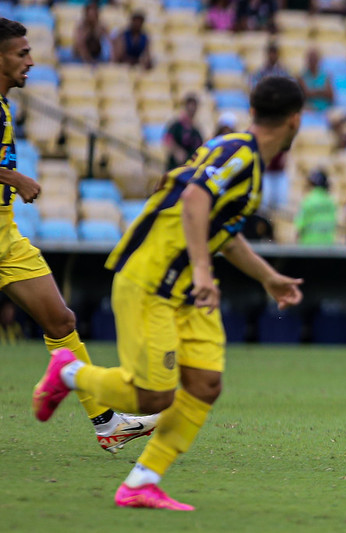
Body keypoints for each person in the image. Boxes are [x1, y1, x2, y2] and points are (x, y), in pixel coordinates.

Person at [32, 76, 306, 510]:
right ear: (296, 120)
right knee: (153, 397)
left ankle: (141, 482)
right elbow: (196, 199)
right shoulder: (241, 155)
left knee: (205, 382)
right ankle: (68, 372)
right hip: (152, 278)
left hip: (186, 289)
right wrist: (202, 270)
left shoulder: (240, 159)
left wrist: (267, 277)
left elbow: (223, 233)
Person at [1, 17, 156, 453]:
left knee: (62, 321)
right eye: (21, 54)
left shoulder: (4, 107)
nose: (31, 61)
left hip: (6, 238)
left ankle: (107, 424)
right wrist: (13, 178)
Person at [294, 169, 338, 245]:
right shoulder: (331, 202)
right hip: (327, 246)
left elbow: (299, 225)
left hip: (309, 246)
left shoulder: (308, 201)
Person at [164, 93, 204, 171]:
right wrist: (177, 151)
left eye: (194, 105)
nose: (192, 108)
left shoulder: (196, 130)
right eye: (190, 105)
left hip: (190, 169)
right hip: (175, 168)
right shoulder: (176, 125)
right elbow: (168, 139)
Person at [72, 1, 109, 65]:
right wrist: (89, 60)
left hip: (98, 57)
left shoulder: (101, 27)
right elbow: (80, 46)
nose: (92, 15)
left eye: (95, 12)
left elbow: (109, 43)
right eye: (91, 13)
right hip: (80, 59)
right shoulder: (81, 28)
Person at [298, 48, 334, 114]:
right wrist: (322, 91)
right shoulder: (301, 76)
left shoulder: (325, 75)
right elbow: (305, 94)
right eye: (311, 59)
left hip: (325, 110)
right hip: (308, 110)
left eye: (314, 59)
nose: (313, 61)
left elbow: (331, 95)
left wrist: (312, 92)